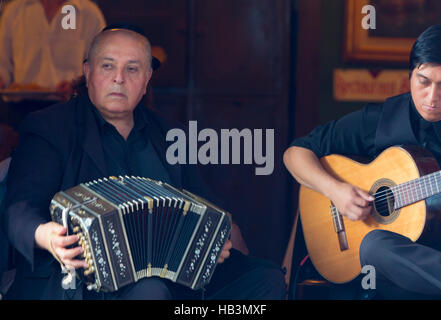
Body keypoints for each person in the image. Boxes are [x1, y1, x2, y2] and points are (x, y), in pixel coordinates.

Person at [1, 24, 286, 300]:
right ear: (88, 72)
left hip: (173, 278)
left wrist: (214, 238)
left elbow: (206, 206)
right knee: (151, 290)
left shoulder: (170, 135)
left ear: (147, 78)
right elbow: (19, 209)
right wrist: (46, 235)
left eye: (132, 69)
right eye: (108, 66)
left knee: (264, 278)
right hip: (80, 282)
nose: (119, 78)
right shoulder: (50, 128)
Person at [283, 24, 441, 299]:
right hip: (388, 264)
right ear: (409, 76)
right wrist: (336, 190)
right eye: (424, 82)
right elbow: (295, 153)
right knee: (373, 245)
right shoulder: (379, 120)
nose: (432, 97)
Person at [0, 0, 106, 128]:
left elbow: (101, 69)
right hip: (19, 111)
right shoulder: (14, 10)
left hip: (69, 111)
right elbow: (3, 64)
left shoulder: (89, 14)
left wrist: (77, 85)